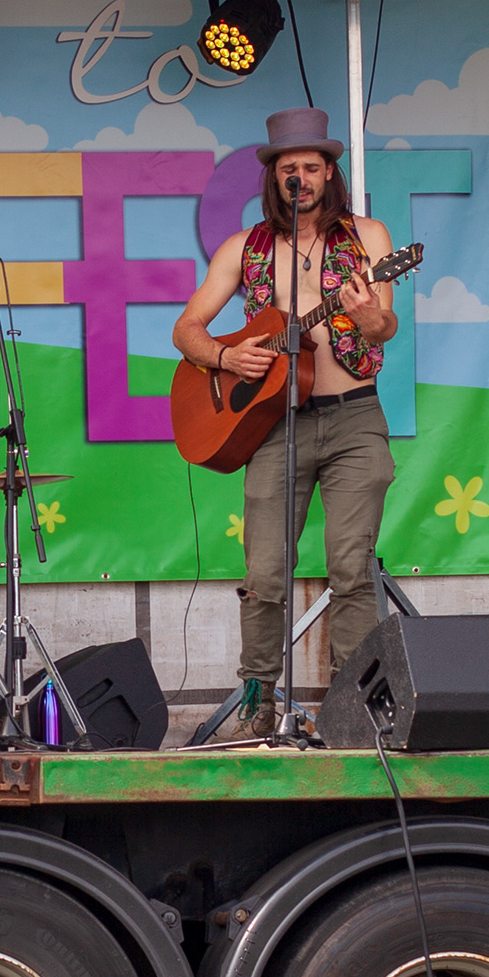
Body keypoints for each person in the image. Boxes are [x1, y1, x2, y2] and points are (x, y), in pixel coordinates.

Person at [169, 106, 401, 722]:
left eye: (312, 167)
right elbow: (186, 329)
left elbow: (385, 327)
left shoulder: (368, 239)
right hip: (275, 423)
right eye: (289, 168)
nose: (301, 177)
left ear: (330, 173)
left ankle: (355, 708)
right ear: (274, 176)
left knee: (351, 566)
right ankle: (258, 703)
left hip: (354, 417)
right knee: (266, 572)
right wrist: (225, 356)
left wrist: (366, 313)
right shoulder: (244, 248)